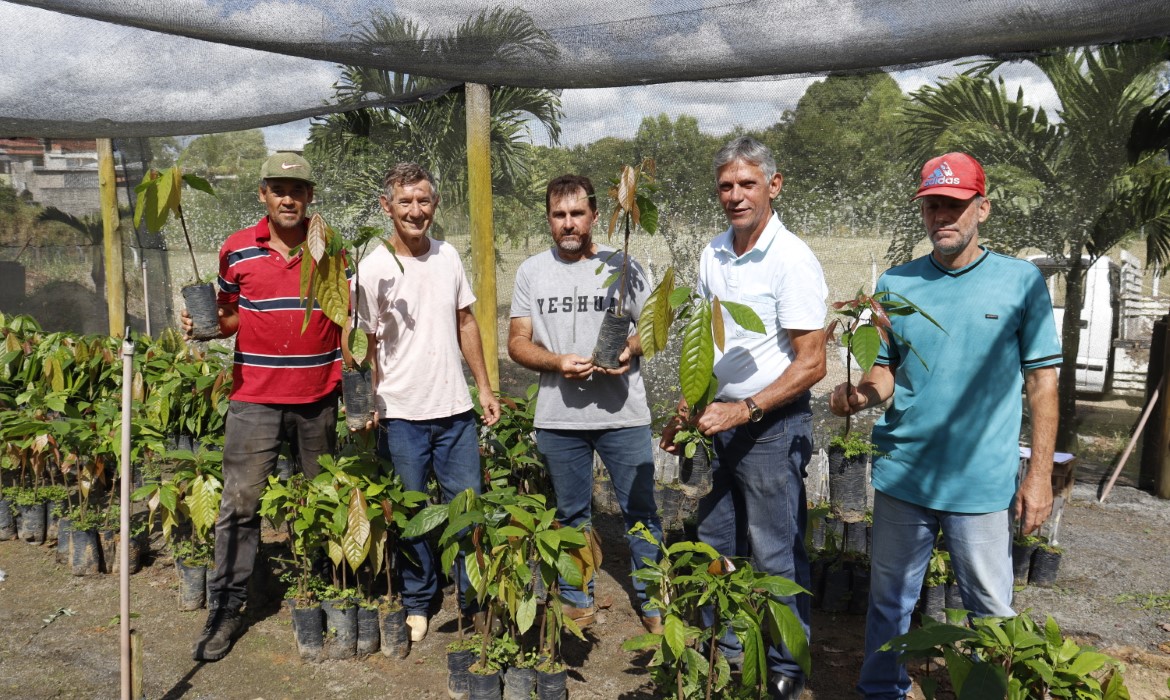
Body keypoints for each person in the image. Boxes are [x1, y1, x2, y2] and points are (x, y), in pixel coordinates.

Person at [829, 152, 1060, 700]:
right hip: (904, 473)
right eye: (934, 206)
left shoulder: (1020, 282)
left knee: (990, 608)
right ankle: (881, 689)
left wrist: (1040, 476)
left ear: (982, 208)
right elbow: (884, 371)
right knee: (889, 600)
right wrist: (857, 395)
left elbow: (1043, 386)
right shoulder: (896, 282)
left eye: (955, 205)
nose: (943, 217)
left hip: (979, 482)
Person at [661, 136, 828, 699]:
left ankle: (788, 661)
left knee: (775, 547)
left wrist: (746, 408)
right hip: (721, 426)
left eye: (747, 184)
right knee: (715, 536)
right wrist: (690, 408)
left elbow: (813, 363)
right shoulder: (714, 253)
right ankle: (728, 644)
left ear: (773, 186)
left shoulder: (791, 259)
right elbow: (709, 348)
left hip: (771, 428)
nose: (735, 195)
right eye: (726, 186)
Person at [186, 152, 342, 662]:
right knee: (240, 503)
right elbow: (230, 315)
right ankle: (226, 606)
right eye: (278, 189)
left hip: (319, 395)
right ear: (263, 195)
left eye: (297, 190)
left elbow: (345, 314)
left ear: (310, 196)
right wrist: (205, 325)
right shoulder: (236, 250)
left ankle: (319, 585)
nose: (288, 198)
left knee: (321, 499)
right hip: (254, 396)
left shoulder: (331, 248)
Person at [507, 174, 664, 634]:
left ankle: (653, 598)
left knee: (641, 511)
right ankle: (578, 597)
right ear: (549, 220)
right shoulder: (531, 272)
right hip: (559, 418)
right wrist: (556, 362)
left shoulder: (625, 265)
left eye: (578, 214)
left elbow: (654, 330)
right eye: (560, 215)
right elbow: (517, 342)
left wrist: (628, 350)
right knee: (572, 514)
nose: (569, 224)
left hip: (623, 416)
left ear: (596, 215)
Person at [353, 162, 500, 643]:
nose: (416, 211)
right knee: (413, 516)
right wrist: (368, 401)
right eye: (405, 201)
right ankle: (419, 602)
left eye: (424, 201)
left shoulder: (448, 257)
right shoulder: (372, 268)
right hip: (402, 416)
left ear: (434, 204)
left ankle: (473, 599)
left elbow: (466, 323)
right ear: (387, 206)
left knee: (466, 509)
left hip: (455, 411)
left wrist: (483, 386)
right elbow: (365, 344)